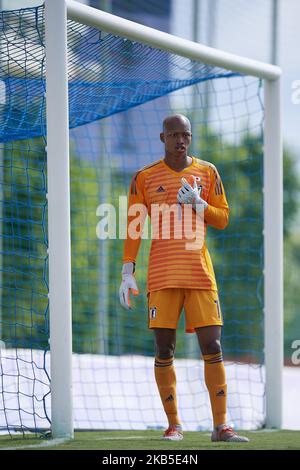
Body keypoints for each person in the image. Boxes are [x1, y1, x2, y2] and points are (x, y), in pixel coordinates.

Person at [119, 114, 249, 443]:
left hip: (200, 275)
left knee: (213, 346)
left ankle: (220, 426)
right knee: (165, 350)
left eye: (186, 135)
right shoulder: (144, 177)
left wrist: (199, 203)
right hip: (162, 276)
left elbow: (223, 219)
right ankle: (174, 424)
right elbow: (134, 226)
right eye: (174, 134)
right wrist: (127, 270)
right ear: (162, 137)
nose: (181, 140)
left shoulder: (208, 172)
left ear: (191, 138)